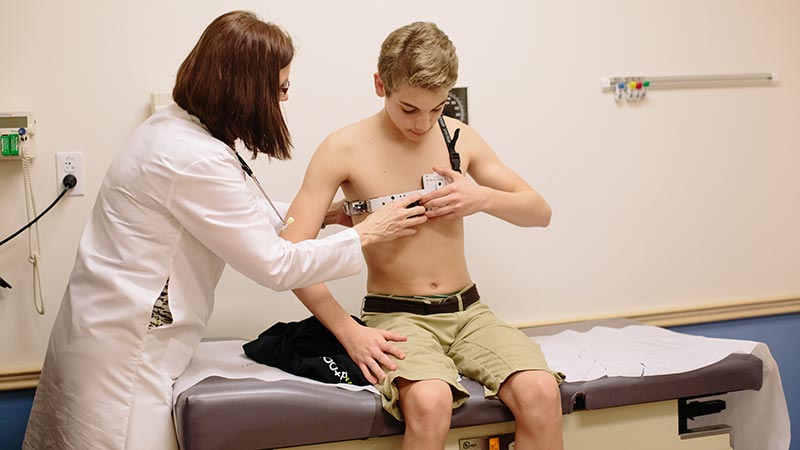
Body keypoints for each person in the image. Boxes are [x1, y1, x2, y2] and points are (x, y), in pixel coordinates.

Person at [23, 11, 427, 450]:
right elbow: (277, 265)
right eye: (282, 87)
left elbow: (234, 211)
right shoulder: (193, 157)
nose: (285, 99)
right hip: (125, 361)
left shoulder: (173, 130)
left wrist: (328, 215)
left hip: (107, 337)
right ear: (246, 88)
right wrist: (370, 232)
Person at [281, 22, 564, 450]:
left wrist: (480, 197)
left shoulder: (458, 137)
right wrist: (349, 332)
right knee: (430, 403)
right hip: (397, 316)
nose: (423, 123)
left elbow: (539, 211)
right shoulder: (343, 148)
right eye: (409, 108)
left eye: (436, 108)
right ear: (380, 84)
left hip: (470, 313)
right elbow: (291, 255)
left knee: (542, 393)